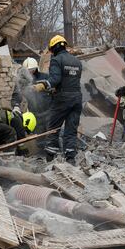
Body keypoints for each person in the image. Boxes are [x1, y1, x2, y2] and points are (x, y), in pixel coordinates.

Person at [35, 35, 83, 165]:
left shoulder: (56, 60)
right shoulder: (77, 62)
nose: (51, 53)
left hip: (62, 99)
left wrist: (43, 85)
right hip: (77, 99)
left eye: (51, 50)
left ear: (54, 48)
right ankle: (70, 158)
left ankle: (50, 157)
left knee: (53, 128)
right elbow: (70, 81)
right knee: (71, 130)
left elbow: (55, 80)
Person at [11, 57, 51, 132]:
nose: (30, 72)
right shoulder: (22, 81)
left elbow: (54, 91)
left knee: (52, 136)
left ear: (36, 68)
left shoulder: (45, 77)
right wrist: (16, 106)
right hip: (35, 115)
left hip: (49, 113)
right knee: (39, 138)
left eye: (32, 70)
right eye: (27, 71)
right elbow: (17, 94)